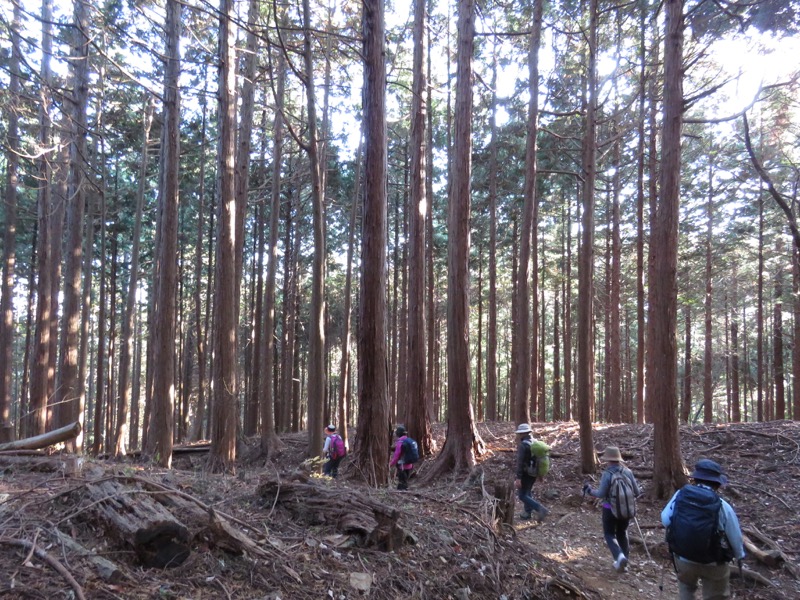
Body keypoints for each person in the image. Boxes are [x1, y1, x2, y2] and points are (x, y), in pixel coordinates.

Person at [661, 459, 745, 600]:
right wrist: (739, 555)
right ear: (717, 483)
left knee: (686, 589)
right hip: (713, 561)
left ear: (696, 478)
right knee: (717, 596)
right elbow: (734, 536)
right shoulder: (722, 506)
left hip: (683, 557)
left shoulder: (680, 495)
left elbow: (665, 519)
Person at [583, 446, 640, 573]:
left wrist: (589, 490)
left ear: (608, 460)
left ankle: (619, 557)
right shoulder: (628, 472)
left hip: (609, 508)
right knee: (622, 532)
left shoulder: (607, 474)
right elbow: (637, 492)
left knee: (609, 533)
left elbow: (601, 494)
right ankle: (624, 562)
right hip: (626, 509)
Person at [514, 423, 549, 521]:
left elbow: (520, 463)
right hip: (534, 472)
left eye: (520, 434)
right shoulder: (535, 443)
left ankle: (541, 509)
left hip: (525, 473)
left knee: (522, 495)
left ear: (522, 434)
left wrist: (518, 478)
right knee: (527, 492)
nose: (519, 435)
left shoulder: (523, 445)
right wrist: (540, 475)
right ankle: (527, 513)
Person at [390, 425, 415, 490]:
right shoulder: (408, 440)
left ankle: (402, 496)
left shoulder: (400, 442)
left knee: (402, 484)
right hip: (410, 466)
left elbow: (396, 455)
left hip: (402, 466)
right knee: (405, 482)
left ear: (398, 434)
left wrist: (391, 464)